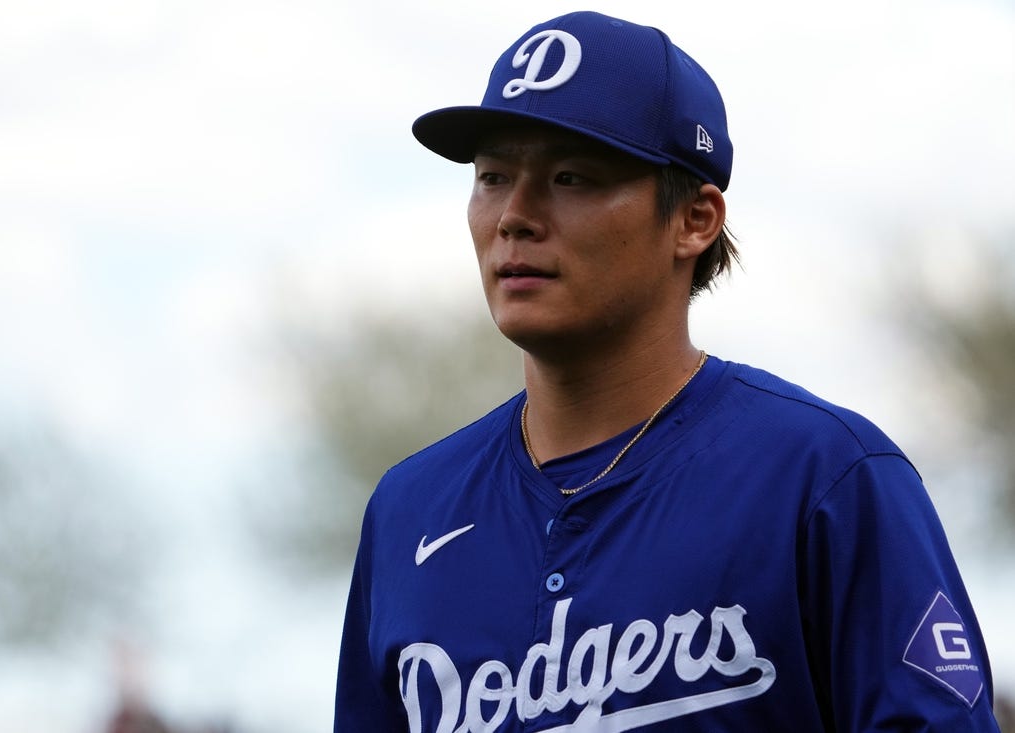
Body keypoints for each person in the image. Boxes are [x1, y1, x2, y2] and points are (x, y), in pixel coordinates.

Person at [333, 11, 1002, 732]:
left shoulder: (823, 474)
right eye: (492, 176)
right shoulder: (409, 508)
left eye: (569, 177)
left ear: (694, 219)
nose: (514, 216)